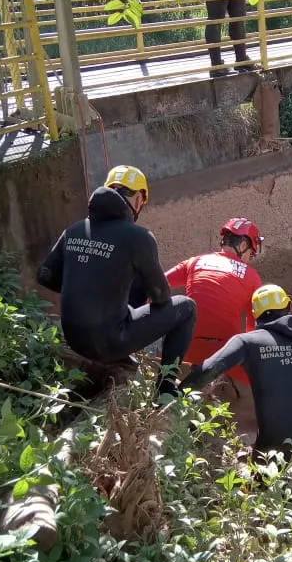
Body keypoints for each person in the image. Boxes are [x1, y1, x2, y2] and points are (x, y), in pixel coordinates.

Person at [36, 165, 196, 397]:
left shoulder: (75, 229)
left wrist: (85, 288)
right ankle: (166, 389)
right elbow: (162, 296)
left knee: (128, 277)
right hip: (109, 341)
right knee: (187, 307)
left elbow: (45, 276)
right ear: (139, 199)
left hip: (74, 338)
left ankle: (120, 352)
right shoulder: (138, 237)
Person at [180, 284, 292, 473]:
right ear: (289, 306)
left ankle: (260, 480)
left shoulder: (246, 342)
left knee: (260, 471)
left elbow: (208, 370)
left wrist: (173, 397)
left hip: (271, 450)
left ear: (254, 314)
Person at [165, 218, 263, 385]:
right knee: (260, 376)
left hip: (183, 350)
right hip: (224, 355)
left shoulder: (194, 262)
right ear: (242, 246)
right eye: (251, 253)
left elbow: (156, 285)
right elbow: (253, 330)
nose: (249, 258)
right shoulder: (252, 277)